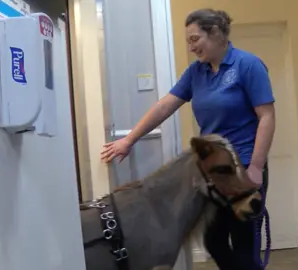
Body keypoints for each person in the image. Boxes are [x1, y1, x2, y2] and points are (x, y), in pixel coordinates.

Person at [100, 8, 275, 270]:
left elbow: (267, 117)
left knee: (244, 245)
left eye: (195, 39)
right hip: (214, 173)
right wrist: (129, 140)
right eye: (188, 41)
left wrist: (256, 168)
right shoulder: (197, 72)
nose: (191, 47)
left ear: (215, 33)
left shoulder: (247, 65)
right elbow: (165, 106)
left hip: (243, 168)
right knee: (213, 240)